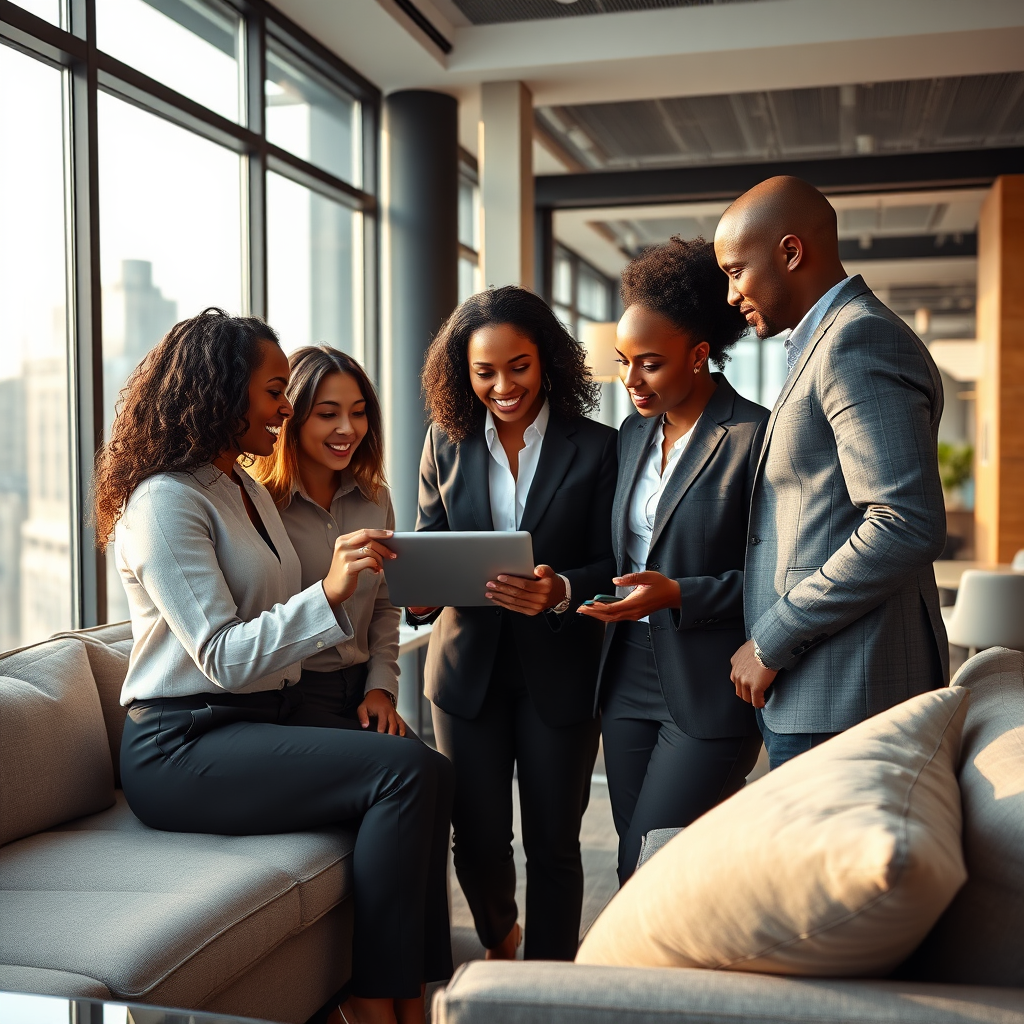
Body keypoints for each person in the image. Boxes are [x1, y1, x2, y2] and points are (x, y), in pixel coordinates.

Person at [97, 309, 452, 1024]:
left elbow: (289, 619)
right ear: (221, 392)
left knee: (424, 769)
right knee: (405, 774)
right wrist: (330, 592)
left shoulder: (242, 488)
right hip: (183, 744)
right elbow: (223, 655)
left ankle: (408, 996)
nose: (285, 409)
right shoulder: (165, 502)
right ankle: (371, 997)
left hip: (260, 720)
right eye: (274, 391)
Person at [410, 285, 616, 961]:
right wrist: (415, 594)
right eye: (485, 372)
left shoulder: (599, 448)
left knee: (554, 841)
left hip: (561, 666)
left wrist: (562, 588)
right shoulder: (446, 441)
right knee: (476, 837)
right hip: (466, 671)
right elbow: (429, 539)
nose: (503, 386)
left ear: (547, 359)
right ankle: (502, 943)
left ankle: (550, 978)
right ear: (462, 375)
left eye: (518, 366)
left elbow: (617, 559)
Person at [714, 176, 948, 770]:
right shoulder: (826, 341)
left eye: (737, 271)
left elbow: (904, 521)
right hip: (827, 685)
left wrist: (774, 635)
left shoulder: (856, 340)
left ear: (791, 252)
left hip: (852, 691)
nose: (730, 294)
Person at [577, 237, 766, 883]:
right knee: (638, 855)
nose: (630, 382)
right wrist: (563, 587)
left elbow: (778, 575)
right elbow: (620, 554)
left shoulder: (754, 436)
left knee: (653, 859)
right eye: (623, 362)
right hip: (625, 673)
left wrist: (679, 593)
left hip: (709, 682)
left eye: (649, 364)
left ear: (699, 355)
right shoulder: (631, 436)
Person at [254, 345, 407, 736]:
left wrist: (381, 688)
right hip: (290, 696)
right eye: (327, 414)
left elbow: (385, 608)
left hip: (362, 690)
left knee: (437, 778)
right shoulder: (258, 505)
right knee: (415, 773)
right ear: (292, 418)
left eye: (358, 413)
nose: (348, 428)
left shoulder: (377, 498)